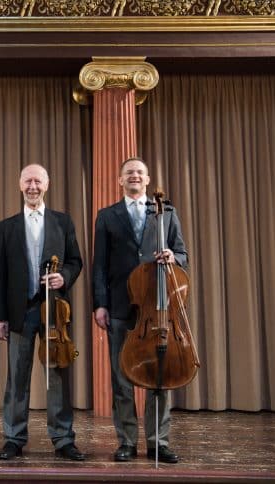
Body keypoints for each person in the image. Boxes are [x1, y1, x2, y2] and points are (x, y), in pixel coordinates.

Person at [91, 156, 188, 464]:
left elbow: (183, 253)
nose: (134, 176)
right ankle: (127, 442)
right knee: (121, 378)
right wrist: (100, 304)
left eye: (139, 172)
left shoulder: (166, 212)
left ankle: (158, 441)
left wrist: (174, 256)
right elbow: (100, 266)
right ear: (120, 181)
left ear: (147, 180)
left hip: (157, 307)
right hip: (120, 306)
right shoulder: (106, 216)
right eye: (128, 172)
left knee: (158, 375)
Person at [0, 164, 85, 461]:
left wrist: (64, 277)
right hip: (20, 312)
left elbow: (75, 261)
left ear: (47, 185)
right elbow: (1, 276)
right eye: (28, 181)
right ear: (20, 185)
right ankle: (14, 437)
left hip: (54, 312)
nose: (33, 186)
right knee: (17, 378)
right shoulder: (6, 227)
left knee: (57, 376)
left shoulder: (63, 222)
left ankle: (63, 439)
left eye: (38, 181)